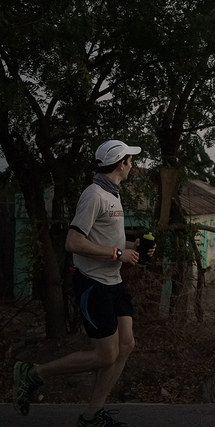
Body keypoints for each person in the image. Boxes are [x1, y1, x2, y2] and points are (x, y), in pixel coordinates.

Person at [12, 139, 156, 427]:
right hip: (93, 284)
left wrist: (134, 247)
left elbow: (104, 238)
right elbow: (73, 242)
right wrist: (118, 253)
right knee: (106, 355)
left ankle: (91, 415)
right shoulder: (94, 195)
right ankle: (33, 373)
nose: (133, 165)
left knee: (126, 344)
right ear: (120, 164)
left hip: (113, 281)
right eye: (130, 161)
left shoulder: (113, 194)